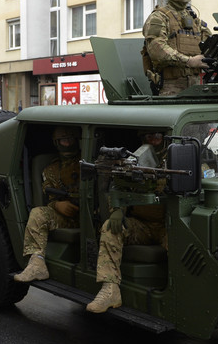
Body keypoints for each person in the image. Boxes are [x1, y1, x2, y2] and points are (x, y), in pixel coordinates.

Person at [87, 131, 169, 313]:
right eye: (149, 136)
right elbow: (118, 187)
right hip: (142, 225)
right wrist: (117, 210)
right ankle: (110, 289)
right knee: (110, 228)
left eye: (157, 136)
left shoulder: (177, 160)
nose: (153, 140)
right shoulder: (136, 159)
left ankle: (177, 293)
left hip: (169, 225)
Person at [14, 127, 82, 282]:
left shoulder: (86, 163)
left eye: (71, 139)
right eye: (63, 140)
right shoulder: (52, 169)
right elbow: (49, 197)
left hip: (92, 217)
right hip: (67, 218)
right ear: (56, 143)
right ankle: (36, 263)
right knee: (38, 213)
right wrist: (57, 206)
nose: (67, 143)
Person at [142, 0, 213, 96]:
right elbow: (157, 50)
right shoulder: (159, 17)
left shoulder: (194, 20)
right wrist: (189, 61)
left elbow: (210, 44)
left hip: (196, 86)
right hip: (170, 87)